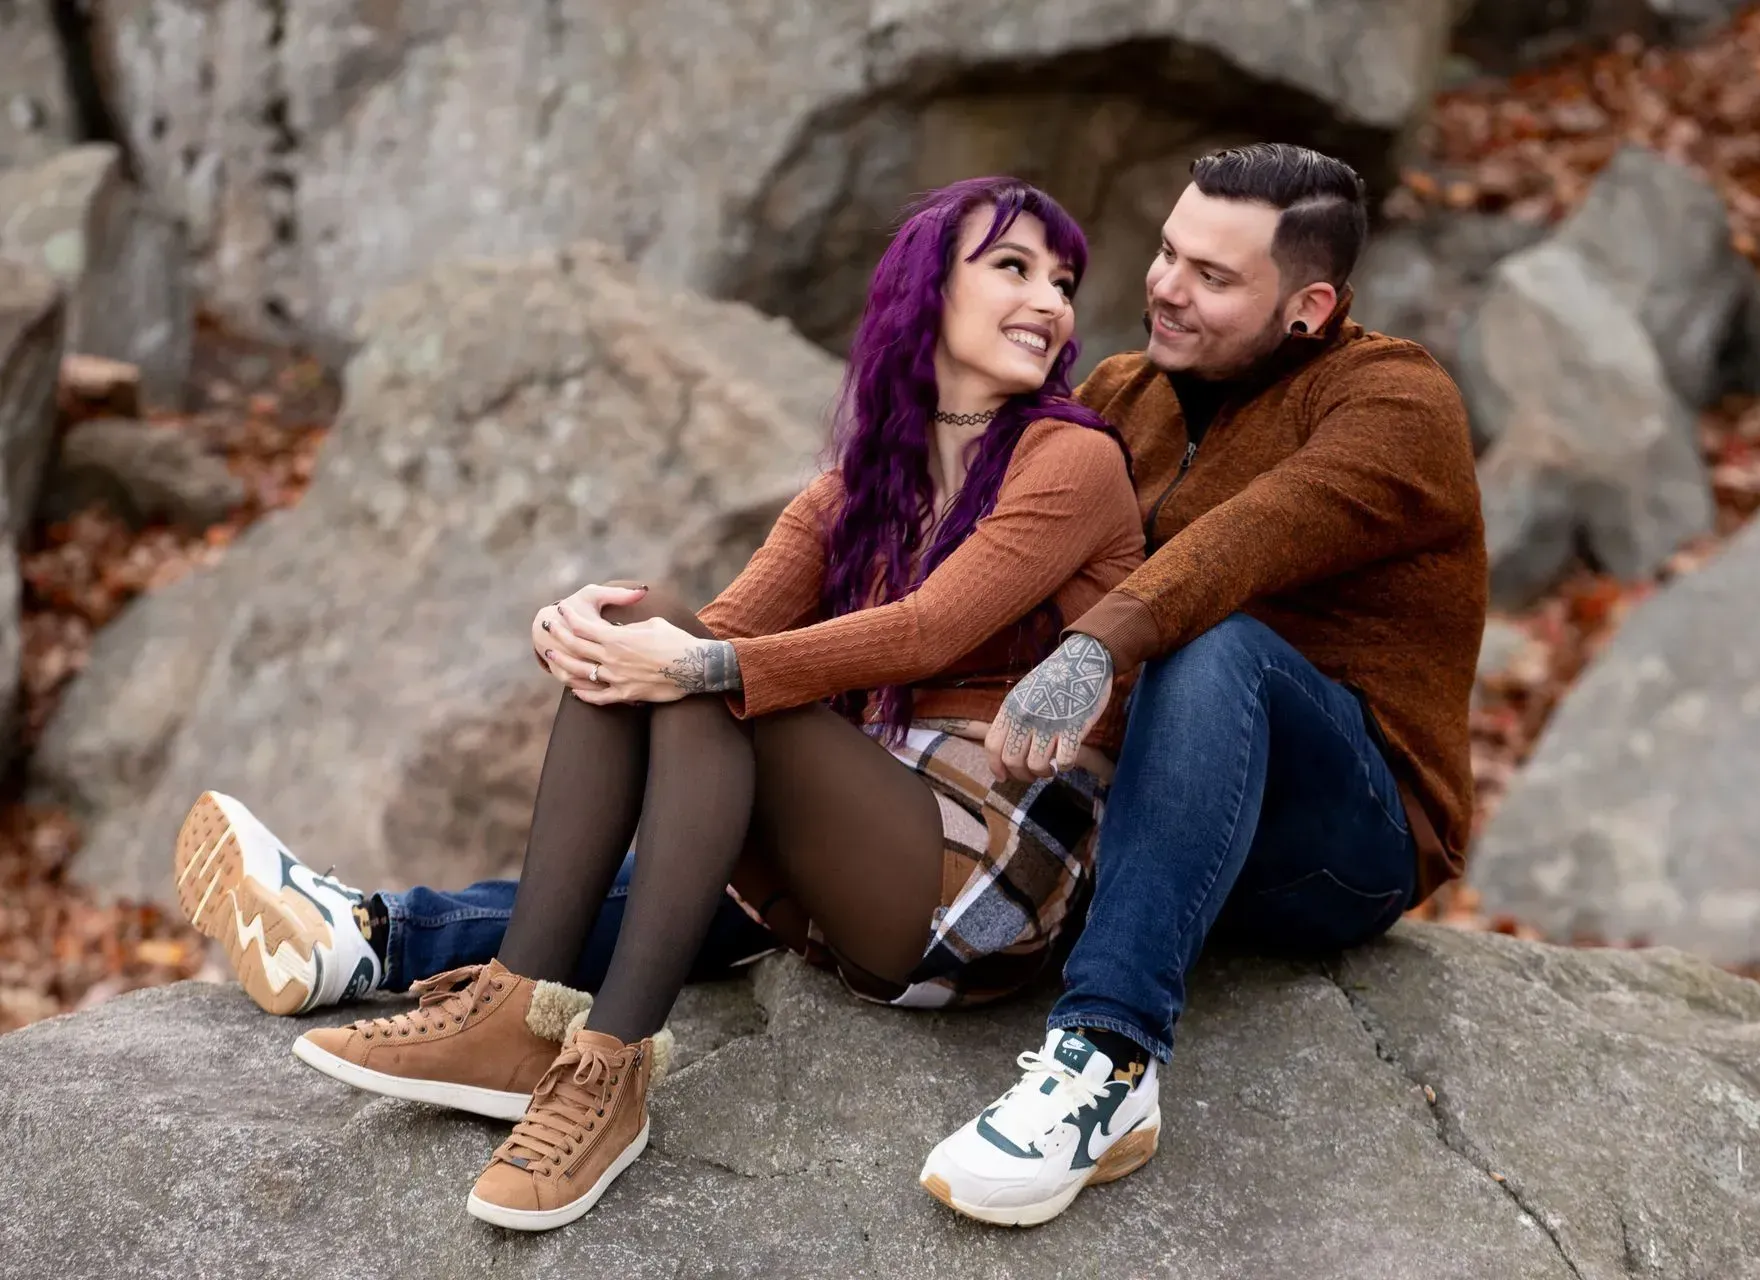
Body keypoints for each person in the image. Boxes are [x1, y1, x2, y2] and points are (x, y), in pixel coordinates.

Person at [171, 175, 1145, 1233]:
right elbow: (705, 632)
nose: (1051, 300)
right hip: (866, 847)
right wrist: (586, 631)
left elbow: (926, 633)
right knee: (653, 623)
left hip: (987, 871)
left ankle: (611, 1063)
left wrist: (686, 661)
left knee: (692, 660)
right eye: (1013, 266)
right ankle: (520, 1014)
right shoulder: (855, 492)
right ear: (925, 291)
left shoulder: (1074, 459)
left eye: (1063, 280)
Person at [914, 142, 1487, 1226]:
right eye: (1170, 251)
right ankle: (500, 947)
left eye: (1213, 276)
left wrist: (1094, 645)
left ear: (1309, 303)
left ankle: (1108, 1062)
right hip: (1139, 797)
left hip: (1344, 830)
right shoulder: (1125, 392)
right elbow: (990, 564)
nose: (1166, 285)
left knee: (1215, 639)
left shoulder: (1394, 401)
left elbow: (1246, 542)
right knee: (825, 815)